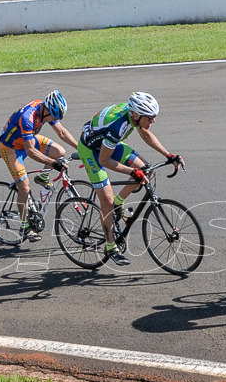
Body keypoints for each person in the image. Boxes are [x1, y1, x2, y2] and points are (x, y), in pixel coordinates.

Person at [78, 92, 183, 266]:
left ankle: (120, 202)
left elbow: (146, 133)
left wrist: (169, 155)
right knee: (107, 202)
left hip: (107, 142)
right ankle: (111, 247)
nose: (153, 121)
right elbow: (104, 160)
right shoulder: (118, 125)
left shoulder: (134, 116)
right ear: (136, 115)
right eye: (150, 117)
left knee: (146, 171)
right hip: (91, 150)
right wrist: (131, 172)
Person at [0, 90, 78, 242]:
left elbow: (61, 132)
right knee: (25, 187)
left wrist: (80, 148)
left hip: (27, 140)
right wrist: (53, 163)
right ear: (47, 110)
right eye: (53, 116)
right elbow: (31, 151)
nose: (54, 120)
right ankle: (25, 226)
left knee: (60, 151)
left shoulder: (46, 110)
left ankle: (43, 177)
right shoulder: (28, 118)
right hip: (10, 149)